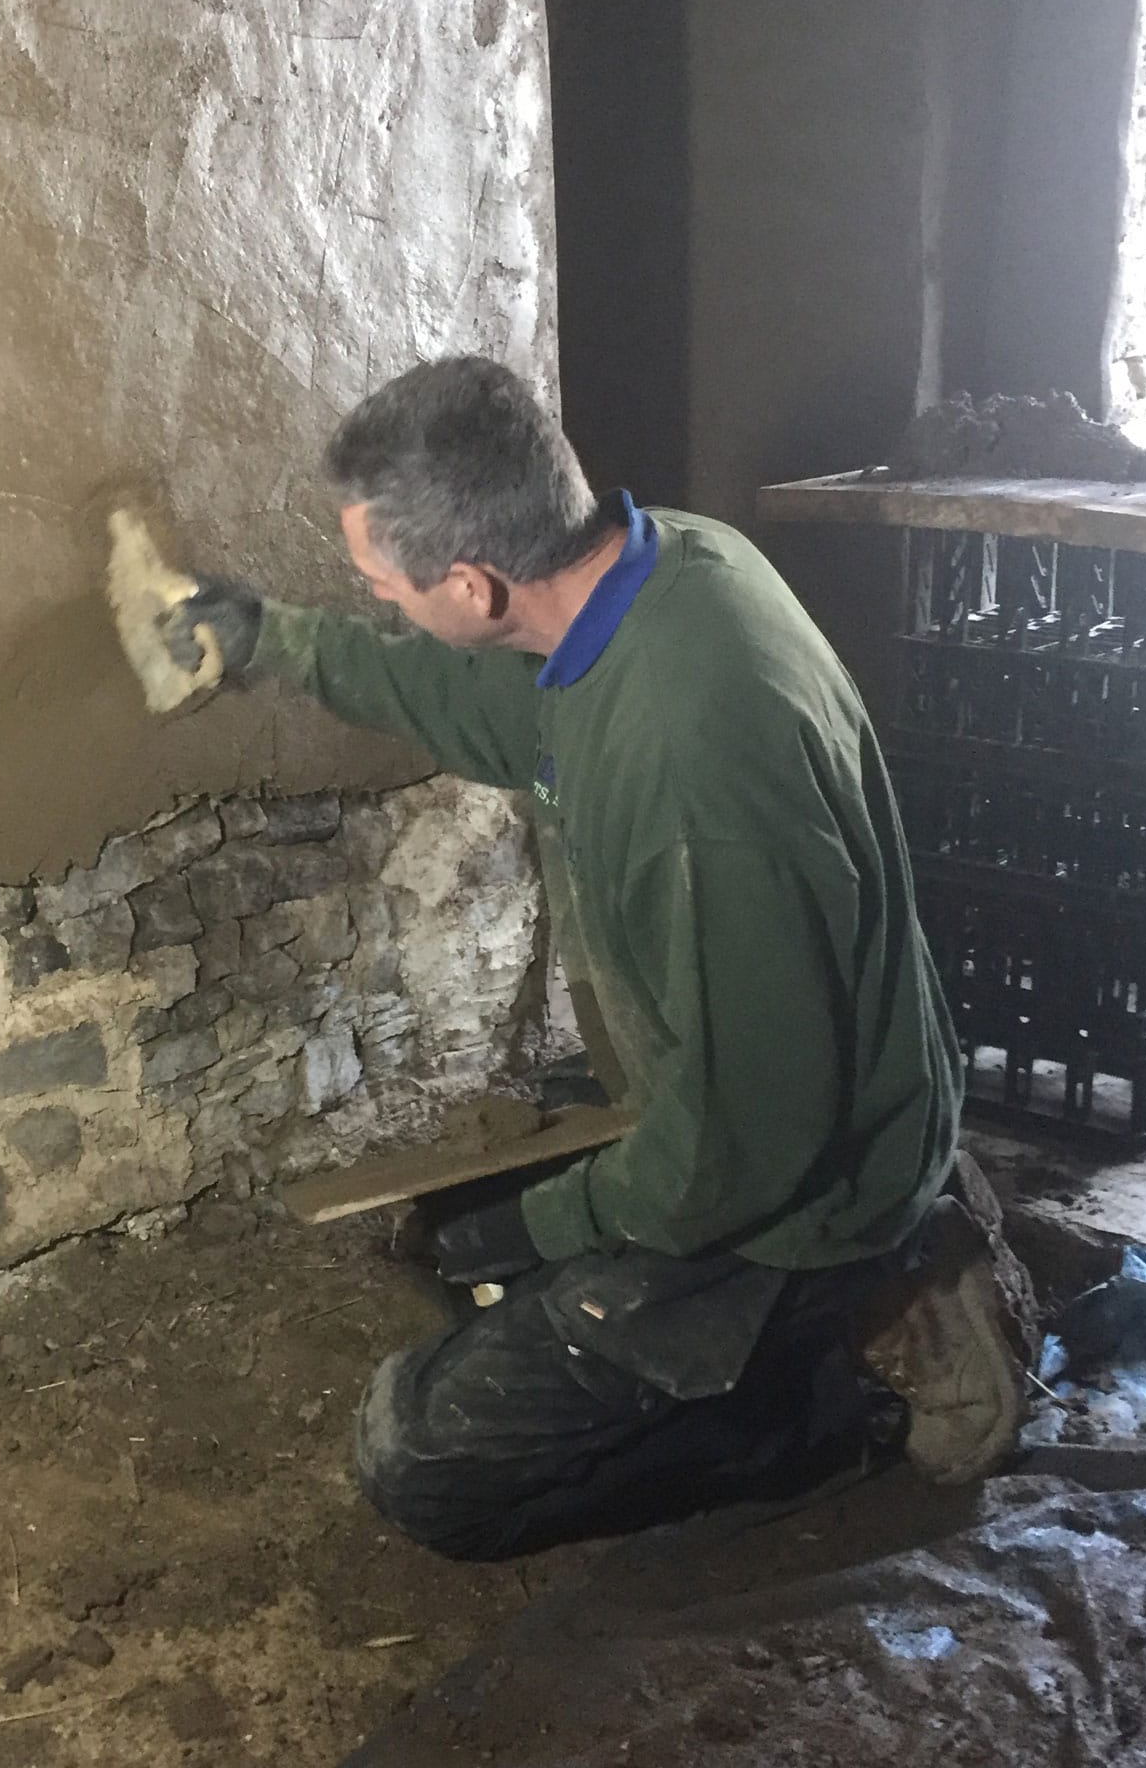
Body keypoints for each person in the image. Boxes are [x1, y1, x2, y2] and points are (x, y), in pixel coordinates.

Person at [156, 356, 1034, 1563]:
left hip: (803, 1187)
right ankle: (876, 1269)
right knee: (502, 1282)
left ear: (469, 584)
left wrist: (548, 1219)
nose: (378, 600)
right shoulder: (660, 567)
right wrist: (275, 641)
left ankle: (848, 1385)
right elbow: (495, 711)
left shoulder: (691, 780)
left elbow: (741, 1147)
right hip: (791, 1082)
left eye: (378, 584)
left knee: (420, 1462)